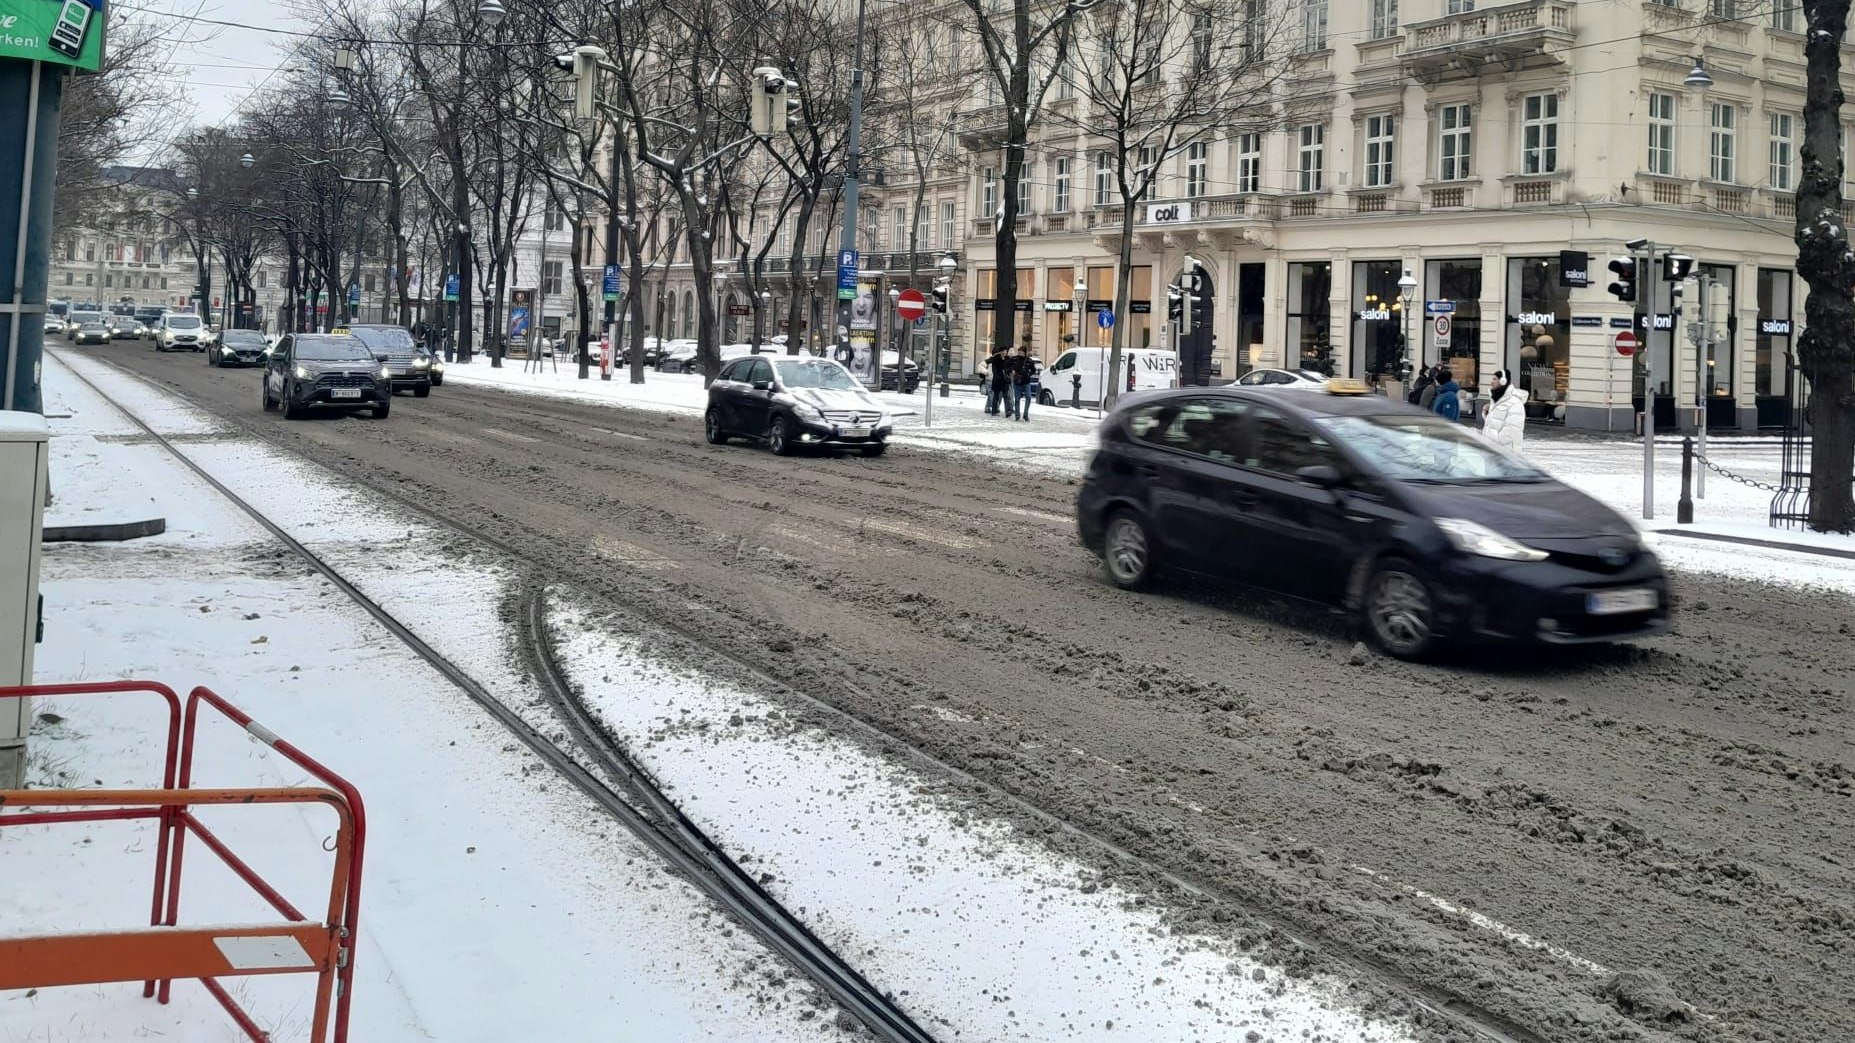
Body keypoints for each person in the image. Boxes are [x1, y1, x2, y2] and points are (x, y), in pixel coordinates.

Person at [1483, 369, 1529, 452]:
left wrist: (1490, 438)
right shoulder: (1496, 400)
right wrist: (1487, 415)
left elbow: (1510, 432)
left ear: (1503, 381)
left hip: (1506, 454)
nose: (1491, 382)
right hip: (1493, 451)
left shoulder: (1515, 403)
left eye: (1494, 379)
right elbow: (1495, 424)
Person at [1011, 345, 1037, 422]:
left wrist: (1029, 374)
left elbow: (1033, 369)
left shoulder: (1029, 360)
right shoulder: (1015, 359)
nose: (1020, 354)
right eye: (1019, 352)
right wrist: (1012, 371)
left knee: (1028, 397)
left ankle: (1025, 415)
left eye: (1021, 352)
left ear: (1025, 353)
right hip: (1017, 382)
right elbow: (1007, 365)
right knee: (1017, 399)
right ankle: (1017, 415)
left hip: (1026, 381)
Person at [986, 345, 1013, 416]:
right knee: (996, 396)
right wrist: (997, 375)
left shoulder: (1008, 359)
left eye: (1006, 351)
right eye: (1003, 351)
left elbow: (1010, 368)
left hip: (1005, 380)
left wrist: (1007, 371)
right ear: (1001, 352)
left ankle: (1008, 412)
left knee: (1006, 396)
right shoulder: (996, 359)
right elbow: (994, 369)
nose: (1005, 353)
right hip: (997, 380)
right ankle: (994, 411)